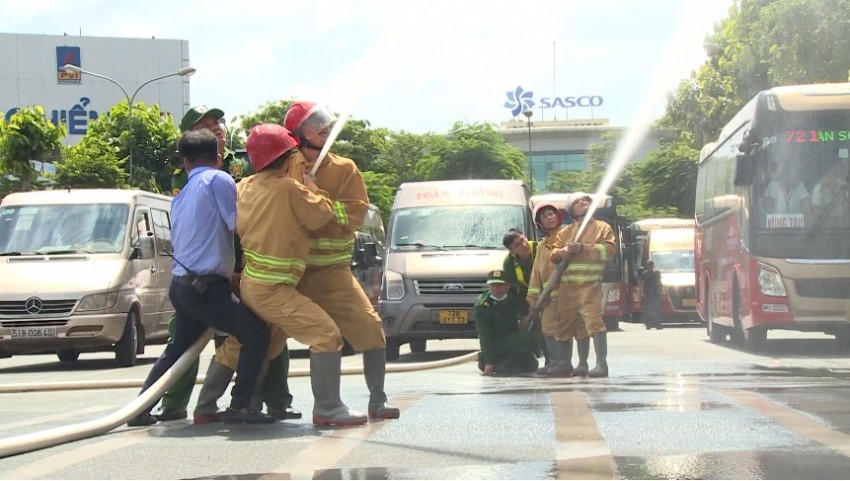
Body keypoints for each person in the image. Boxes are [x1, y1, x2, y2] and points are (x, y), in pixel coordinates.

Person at [157, 105, 300, 424]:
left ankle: (271, 400)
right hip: (217, 273)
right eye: (208, 126)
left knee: (266, 328)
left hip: (239, 266)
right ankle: (190, 403)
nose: (218, 129)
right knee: (246, 334)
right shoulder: (202, 178)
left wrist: (245, 268)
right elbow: (243, 221)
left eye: (218, 123)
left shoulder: (242, 164)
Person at [222, 123, 367, 426]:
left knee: (248, 342)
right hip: (274, 287)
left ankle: (216, 405)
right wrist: (313, 190)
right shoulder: (290, 189)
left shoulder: (244, 185)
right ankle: (328, 408)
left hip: (254, 282)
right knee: (326, 334)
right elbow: (320, 216)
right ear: (288, 157)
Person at [127, 129, 273, 426]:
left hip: (183, 287)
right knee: (257, 334)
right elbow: (238, 223)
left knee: (178, 349)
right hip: (207, 288)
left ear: (185, 162)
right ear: (218, 157)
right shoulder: (218, 180)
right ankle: (241, 407)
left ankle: (140, 408)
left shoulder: (181, 196)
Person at [283, 101, 399, 420]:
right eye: (314, 124)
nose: (324, 128)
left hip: (333, 273)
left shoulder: (344, 169)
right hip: (291, 272)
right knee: (262, 337)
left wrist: (319, 200)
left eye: (324, 123)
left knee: (370, 327)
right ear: (298, 135)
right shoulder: (284, 166)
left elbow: (355, 216)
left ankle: (376, 400)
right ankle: (251, 403)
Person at [550, 193, 616, 378]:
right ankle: (578, 364)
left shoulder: (603, 228)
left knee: (595, 324)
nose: (583, 203)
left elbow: (609, 251)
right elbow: (553, 255)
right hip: (567, 286)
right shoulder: (565, 232)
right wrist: (562, 251)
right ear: (571, 210)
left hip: (590, 284)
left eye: (586, 201)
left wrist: (583, 248)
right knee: (567, 324)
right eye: (578, 202)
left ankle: (602, 365)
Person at [526, 202, 574, 377]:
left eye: (551, 214)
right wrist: (533, 297)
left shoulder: (568, 235)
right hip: (546, 298)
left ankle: (565, 364)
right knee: (548, 328)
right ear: (540, 223)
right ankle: (554, 363)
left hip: (565, 292)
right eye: (544, 216)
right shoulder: (541, 246)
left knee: (563, 328)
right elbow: (536, 272)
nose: (549, 217)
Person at [474, 270, 539, 376]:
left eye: (500, 285)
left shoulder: (515, 299)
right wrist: (488, 363)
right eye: (493, 285)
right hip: (496, 344)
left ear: (507, 285)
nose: (496, 289)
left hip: (515, 339)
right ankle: (501, 364)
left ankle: (510, 363)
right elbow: (484, 336)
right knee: (527, 338)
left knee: (531, 365)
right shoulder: (483, 307)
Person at [811, 160, 849, 226]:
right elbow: (816, 213)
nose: (830, 178)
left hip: (843, 228)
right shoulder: (818, 189)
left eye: (833, 175)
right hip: (825, 228)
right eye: (828, 176)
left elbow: (847, 207)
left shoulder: (843, 187)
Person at [639, 260, 663, 330]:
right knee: (648, 310)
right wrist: (642, 293)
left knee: (657, 309)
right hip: (648, 294)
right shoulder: (644, 274)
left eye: (652, 265)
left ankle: (657, 324)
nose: (651, 267)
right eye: (649, 265)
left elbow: (659, 283)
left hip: (656, 293)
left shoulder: (656, 273)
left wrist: (661, 291)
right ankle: (648, 324)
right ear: (647, 266)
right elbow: (641, 284)